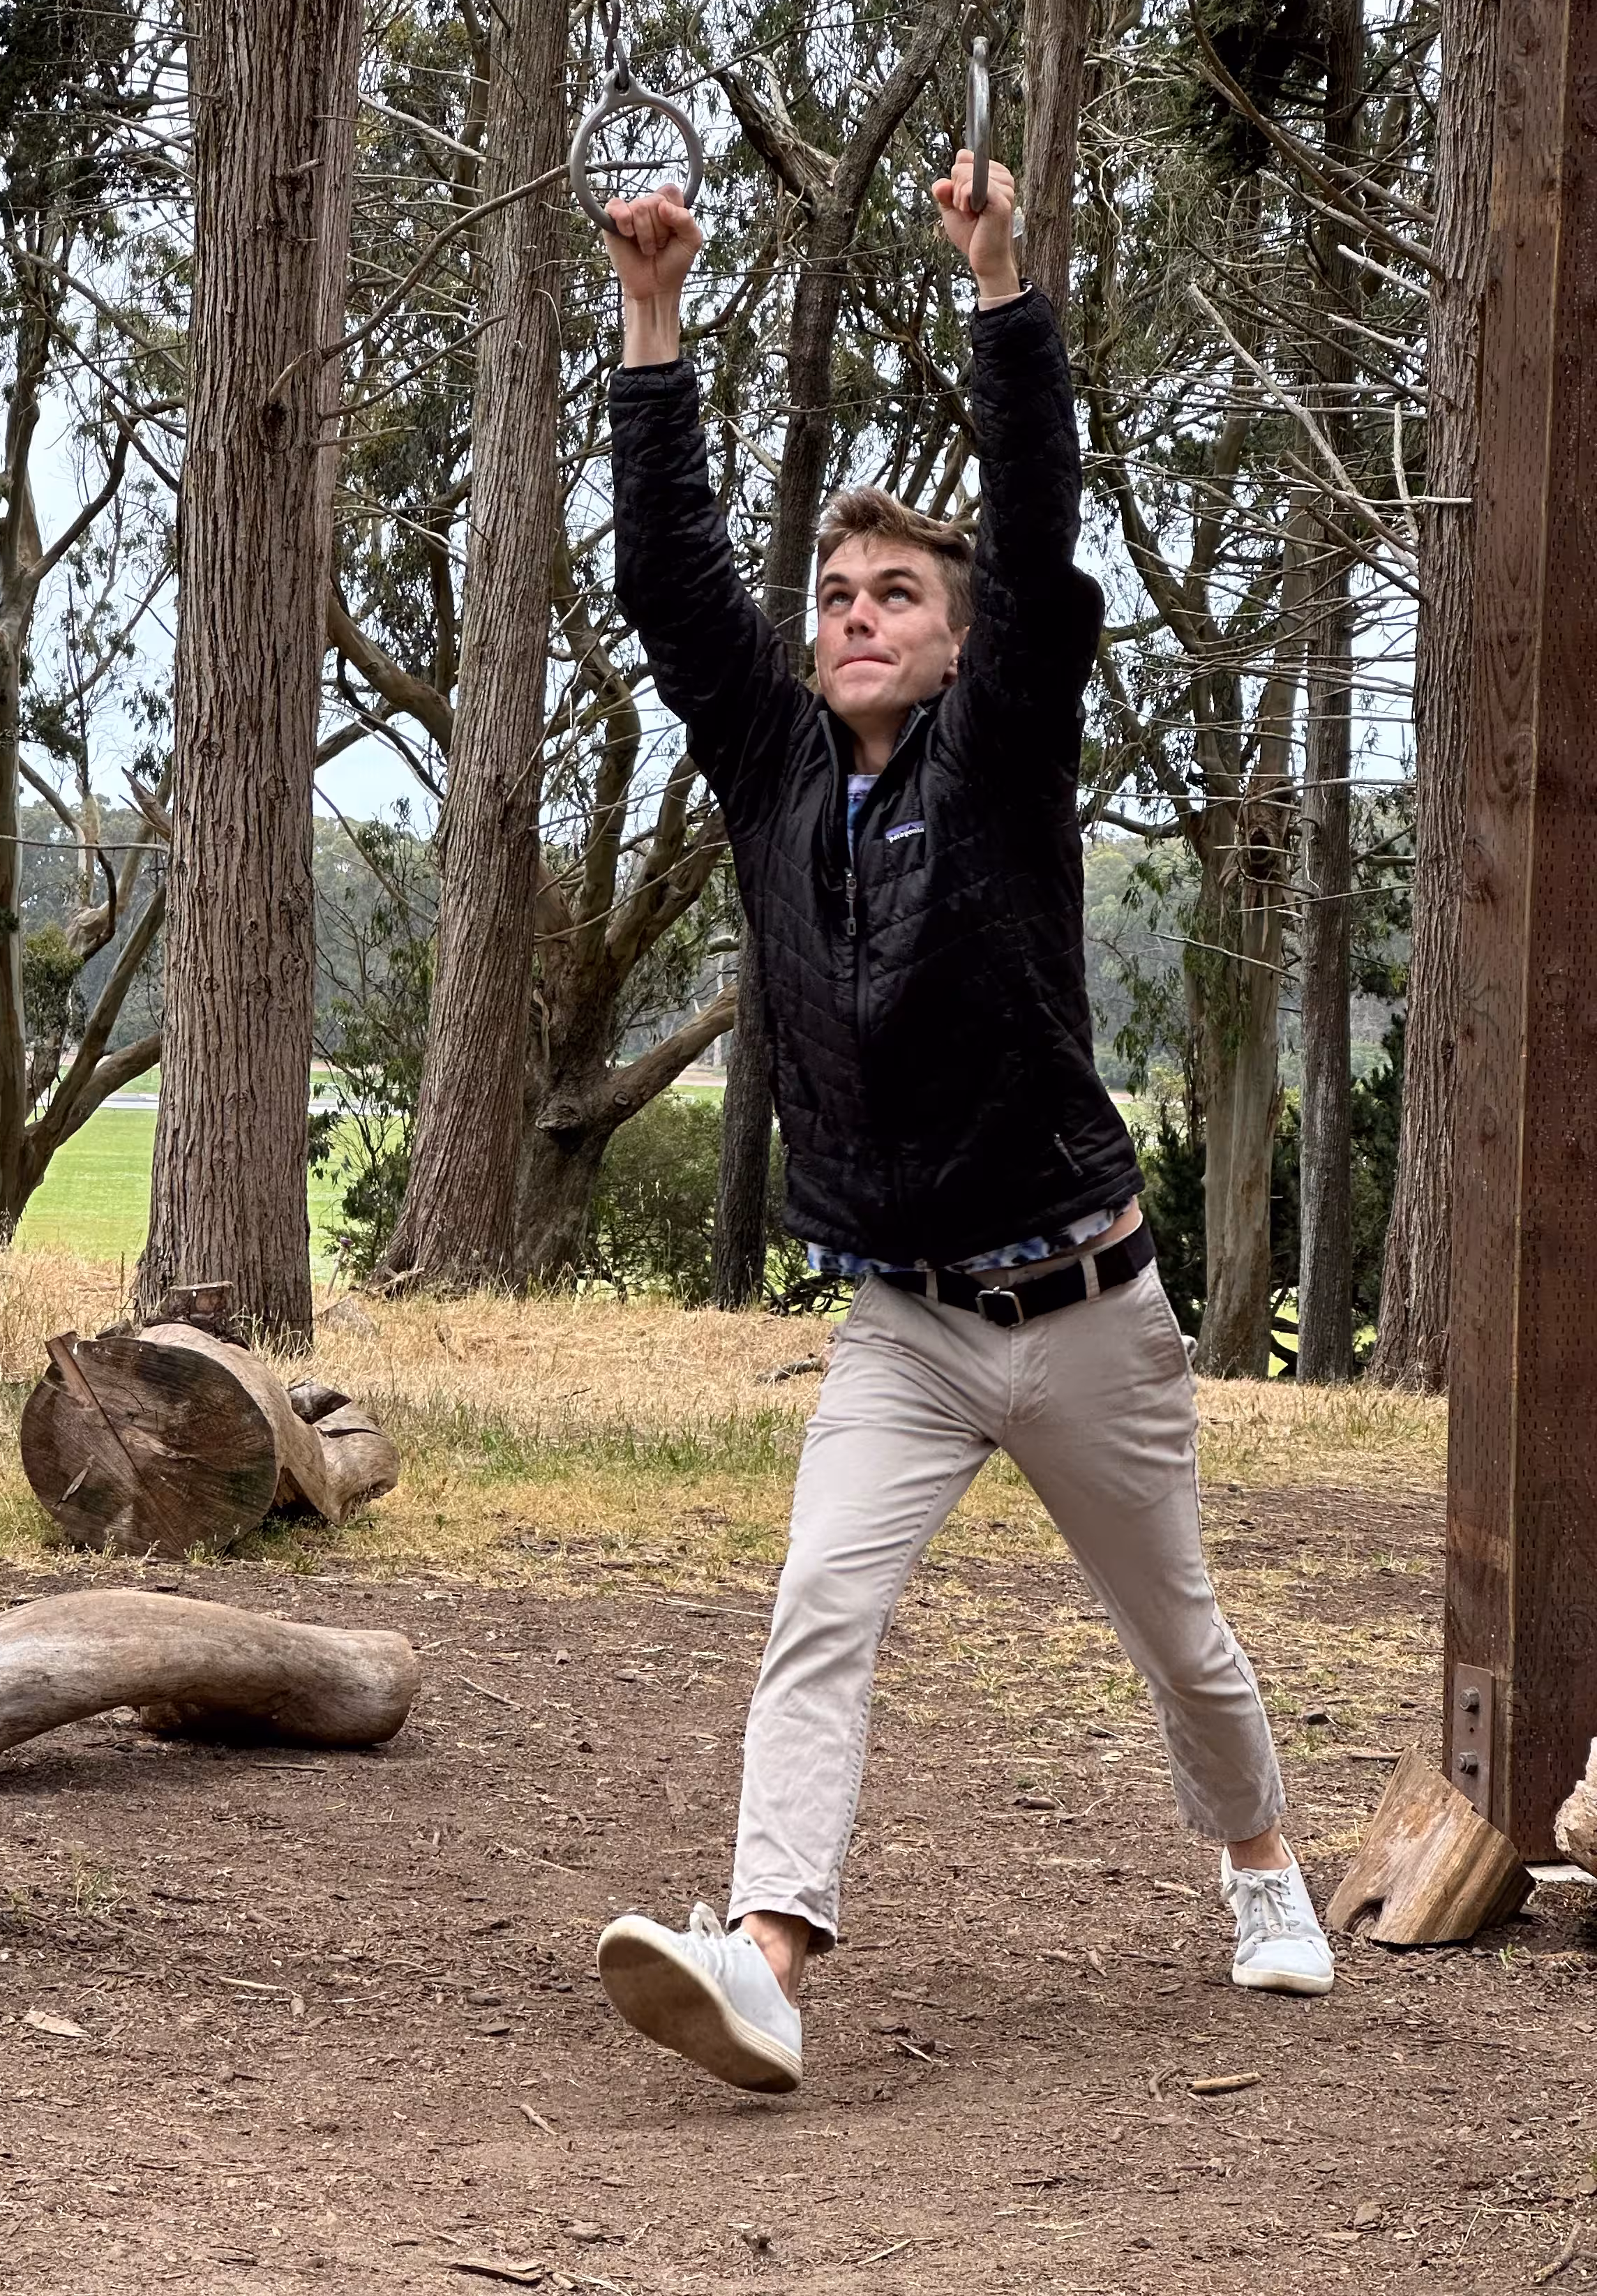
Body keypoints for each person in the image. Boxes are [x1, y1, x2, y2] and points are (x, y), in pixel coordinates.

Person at [590, 153, 1333, 2099]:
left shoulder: (1001, 752)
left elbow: (1039, 511)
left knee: (1180, 1636)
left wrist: (1002, 287)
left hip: (1087, 1307)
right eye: (835, 598)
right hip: (908, 1325)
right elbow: (669, 580)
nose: (856, 618)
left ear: (953, 636)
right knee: (819, 1610)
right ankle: (765, 1963)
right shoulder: (770, 765)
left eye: (895, 596)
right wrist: (654, 317)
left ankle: (1260, 1862)